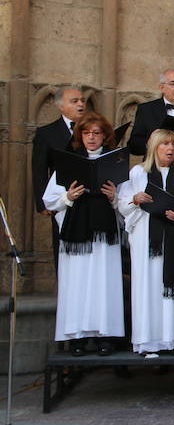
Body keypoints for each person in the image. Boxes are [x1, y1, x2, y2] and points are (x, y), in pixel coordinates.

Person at [42, 112, 124, 356]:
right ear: (80, 136)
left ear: (105, 136)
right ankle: (76, 337)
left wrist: (114, 197)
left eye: (97, 133)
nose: (91, 138)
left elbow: (126, 204)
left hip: (104, 234)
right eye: (87, 133)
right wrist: (68, 196)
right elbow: (49, 200)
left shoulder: (114, 162)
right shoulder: (69, 162)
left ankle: (104, 336)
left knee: (104, 283)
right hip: (76, 233)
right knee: (76, 284)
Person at [119, 129, 174, 356]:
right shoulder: (138, 173)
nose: (171, 149)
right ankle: (149, 341)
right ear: (154, 146)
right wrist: (135, 200)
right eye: (165, 144)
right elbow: (122, 204)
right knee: (150, 286)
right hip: (148, 240)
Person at [32, 85, 85, 264]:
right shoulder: (46, 133)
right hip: (61, 198)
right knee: (62, 247)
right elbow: (39, 169)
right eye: (75, 101)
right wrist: (42, 202)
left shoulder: (93, 130)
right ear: (61, 106)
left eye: (82, 101)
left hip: (89, 196)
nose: (81, 104)